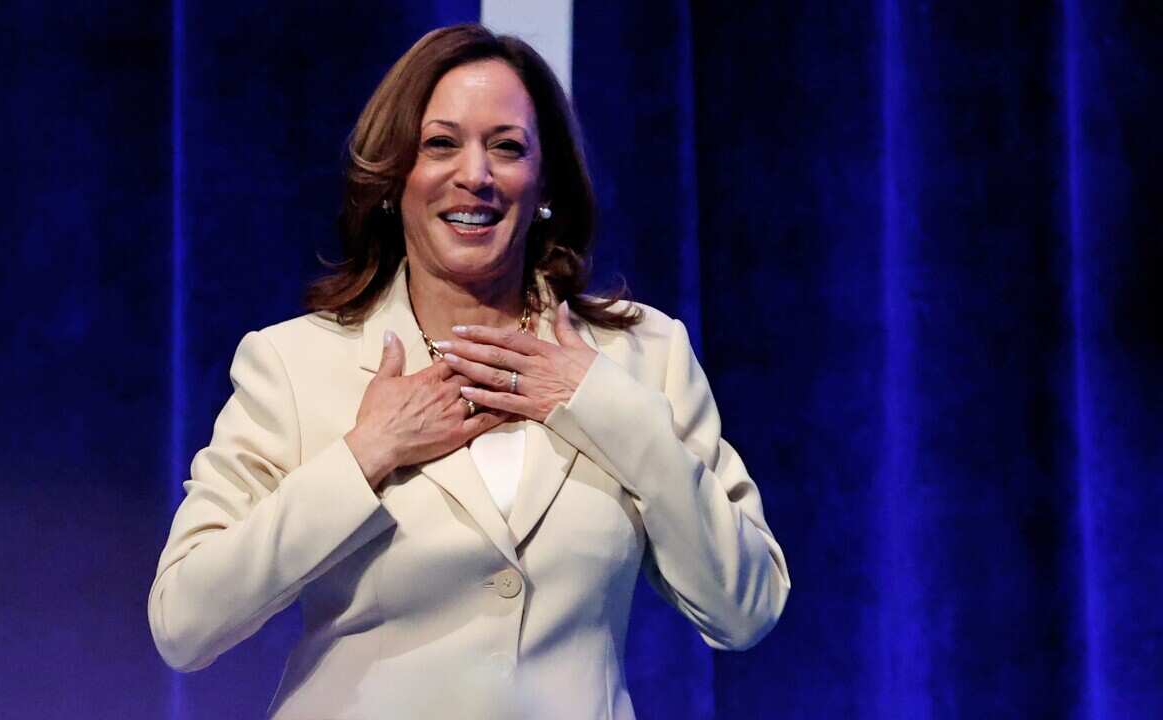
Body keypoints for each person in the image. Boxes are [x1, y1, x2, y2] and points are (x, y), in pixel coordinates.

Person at [148, 23, 790, 720]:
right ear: (395, 178)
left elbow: (746, 606)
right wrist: (365, 455)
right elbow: (185, 622)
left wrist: (604, 407)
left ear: (544, 182)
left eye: (508, 147)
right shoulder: (296, 364)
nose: (476, 175)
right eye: (441, 144)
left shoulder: (642, 356)